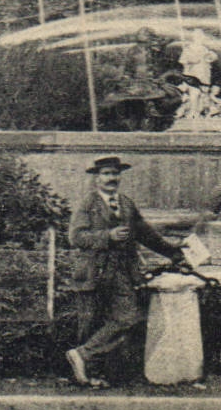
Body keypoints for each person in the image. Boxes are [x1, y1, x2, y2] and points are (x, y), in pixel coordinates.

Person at [64, 155, 186, 386]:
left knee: (129, 317)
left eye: (115, 173)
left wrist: (173, 252)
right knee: (91, 323)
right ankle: (89, 375)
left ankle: (82, 355)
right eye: (106, 174)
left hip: (121, 272)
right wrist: (107, 236)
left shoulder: (127, 204)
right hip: (94, 271)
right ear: (97, 178)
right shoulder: (87, 204)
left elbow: (146, 234)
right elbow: (76, 237)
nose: (112, 178)